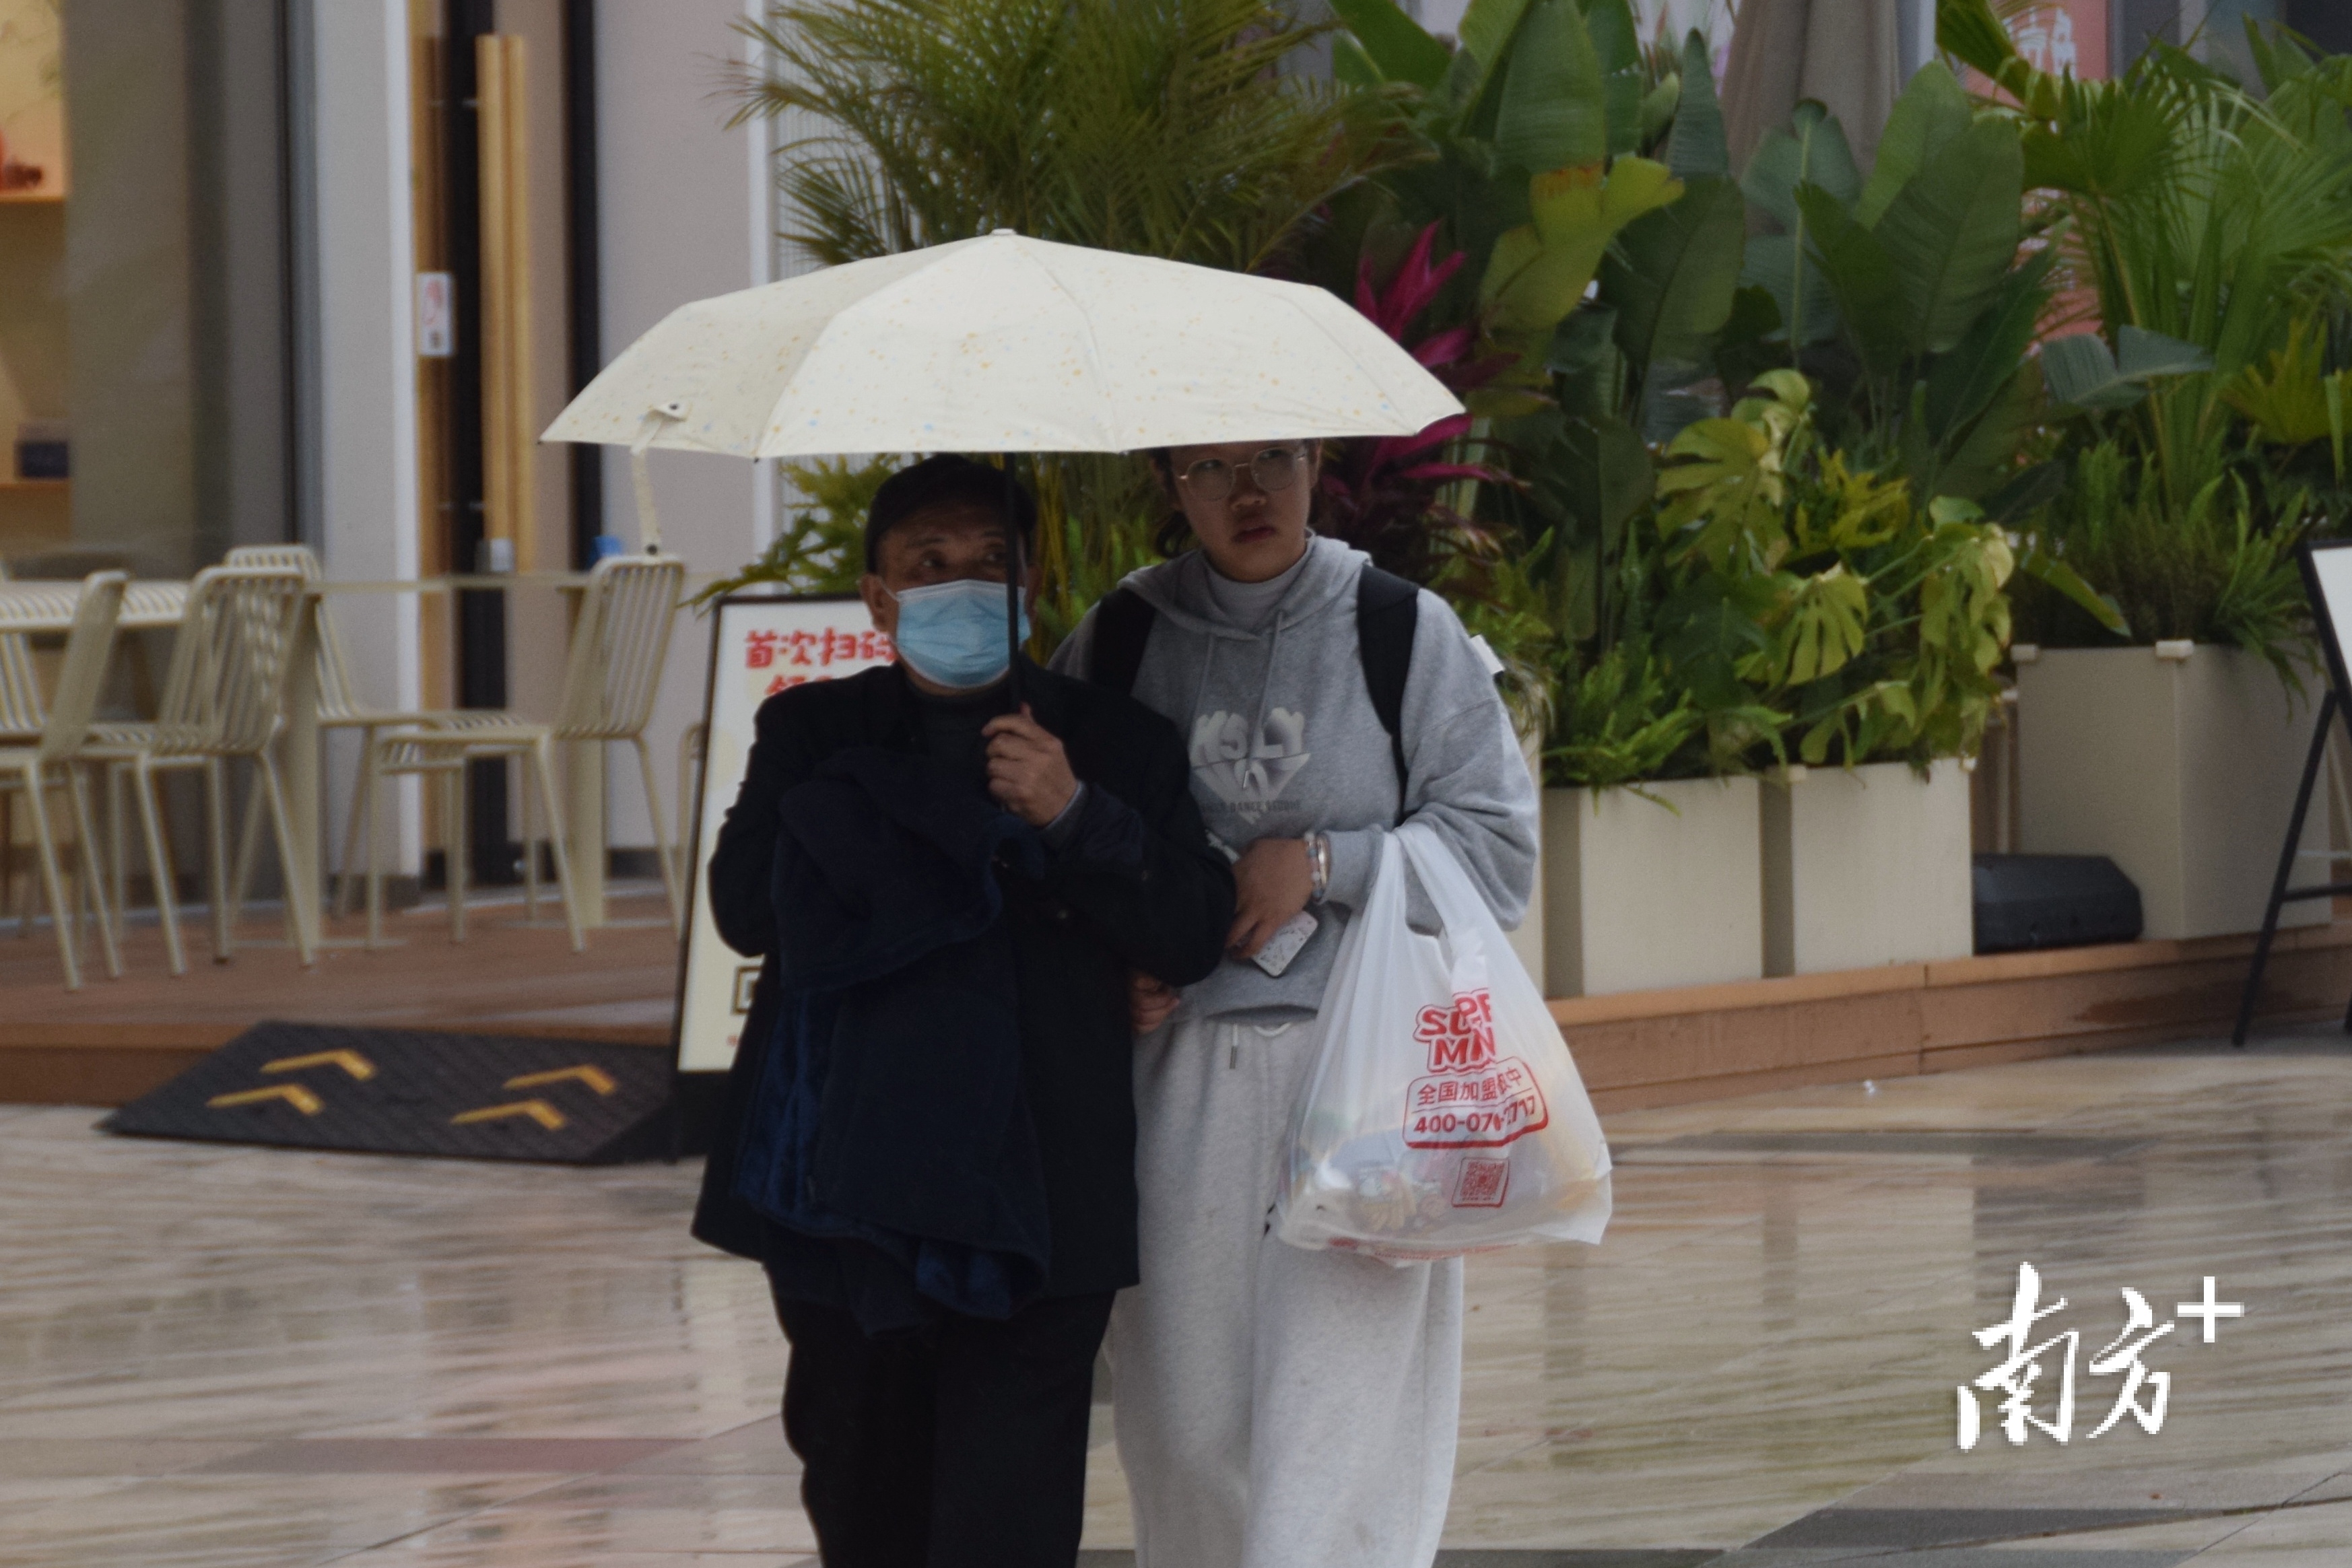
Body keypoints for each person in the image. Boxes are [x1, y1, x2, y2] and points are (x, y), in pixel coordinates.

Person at [693, 454, 1235, 1568]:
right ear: (879, 595)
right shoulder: (815, 735)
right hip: (844, 1191)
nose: (960, 585)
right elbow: (744, 910)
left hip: (1041, 1188)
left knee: (1010, 1518)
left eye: (988, 563)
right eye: (927, 565)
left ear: (1030, 581)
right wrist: (901, 819)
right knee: (864, 1506)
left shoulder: (1109, 741)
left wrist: (1074, 813)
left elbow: (1187, 930)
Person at [1050, 440, 1539, 1568]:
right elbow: (1060, 850)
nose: (1248, 493)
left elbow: (1498, 855)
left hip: (1359, 1076)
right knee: (1183, 1426)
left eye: (1271, 458)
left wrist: (1325, 861)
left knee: (1344, 1422)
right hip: (1173, 1081)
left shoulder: (1397, 628)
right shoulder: (1120, 638)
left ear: (1315, 459)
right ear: (1171, 482)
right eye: (1211, 468)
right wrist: (1106, 961)